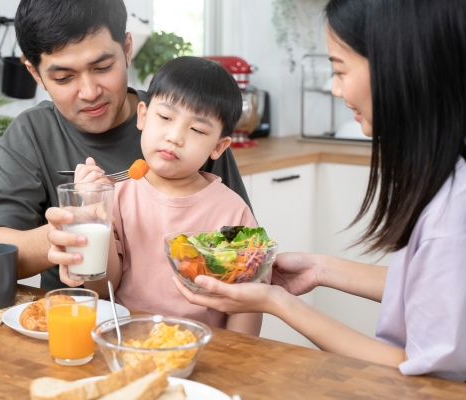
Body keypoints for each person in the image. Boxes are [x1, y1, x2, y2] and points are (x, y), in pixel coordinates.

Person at [174, 0, 466, 381]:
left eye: (339, 68)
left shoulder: (451, 216)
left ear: (399, 67)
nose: (334, 87)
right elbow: (441, 290)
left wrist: (277, 302)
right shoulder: (449, 180)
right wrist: (322, 268)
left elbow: (429, 375)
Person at [0, 0, 251, 290]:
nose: (90, 92)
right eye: (64, 77)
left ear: (127, 49)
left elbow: (240, 253)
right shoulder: (32, 133)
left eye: (103, 67)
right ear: (36, 74)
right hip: (76, 319)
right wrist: (70, 231)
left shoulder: (183, 122)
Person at [47, 57, 262, 334]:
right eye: (165, 117)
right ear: (143, 116)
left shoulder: (233, 212)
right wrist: (91, 213)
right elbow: (103, 288)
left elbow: (249, 302)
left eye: (196, 129)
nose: (174, 136)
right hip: (126, 340)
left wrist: (237, 355)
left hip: (204, 352)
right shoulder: (116, 195)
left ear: (218, 147)